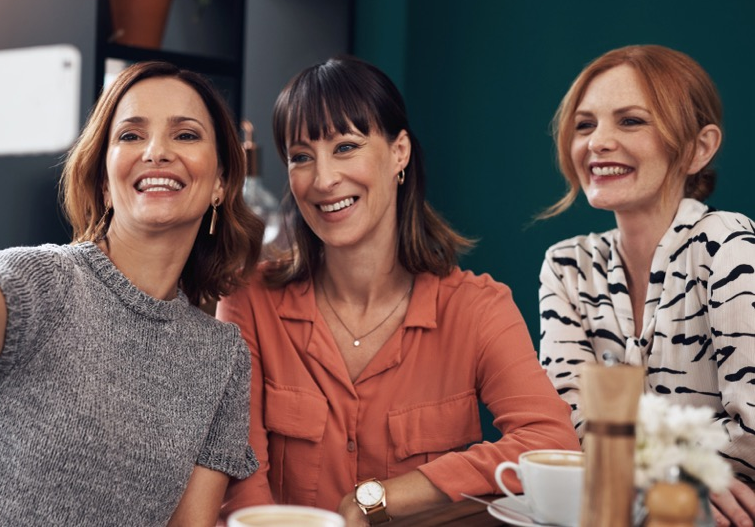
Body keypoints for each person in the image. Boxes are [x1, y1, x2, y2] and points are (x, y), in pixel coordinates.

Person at [0, 53, 263, 525]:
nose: (156, 151)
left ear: (220, 182)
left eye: (186, 134)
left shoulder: (221, 357)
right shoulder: (41, 281)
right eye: (131, 135)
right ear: (102, 181)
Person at [218, 55, 579, 525]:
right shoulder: (249, 302)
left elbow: (550, 441)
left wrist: (383, 496)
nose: (324, 180)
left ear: (399, 152)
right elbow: (242, 483)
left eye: (345, 147)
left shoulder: (478, 309)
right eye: (301, 157)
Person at [538, 45, 755, 526]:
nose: (597, 142)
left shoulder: (727, 244)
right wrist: (676, 470)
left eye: (631, 121)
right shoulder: (567, 265)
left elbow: (753, 434)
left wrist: (634, 461)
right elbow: (566, 432)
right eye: (585, 124)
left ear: (699, 147)